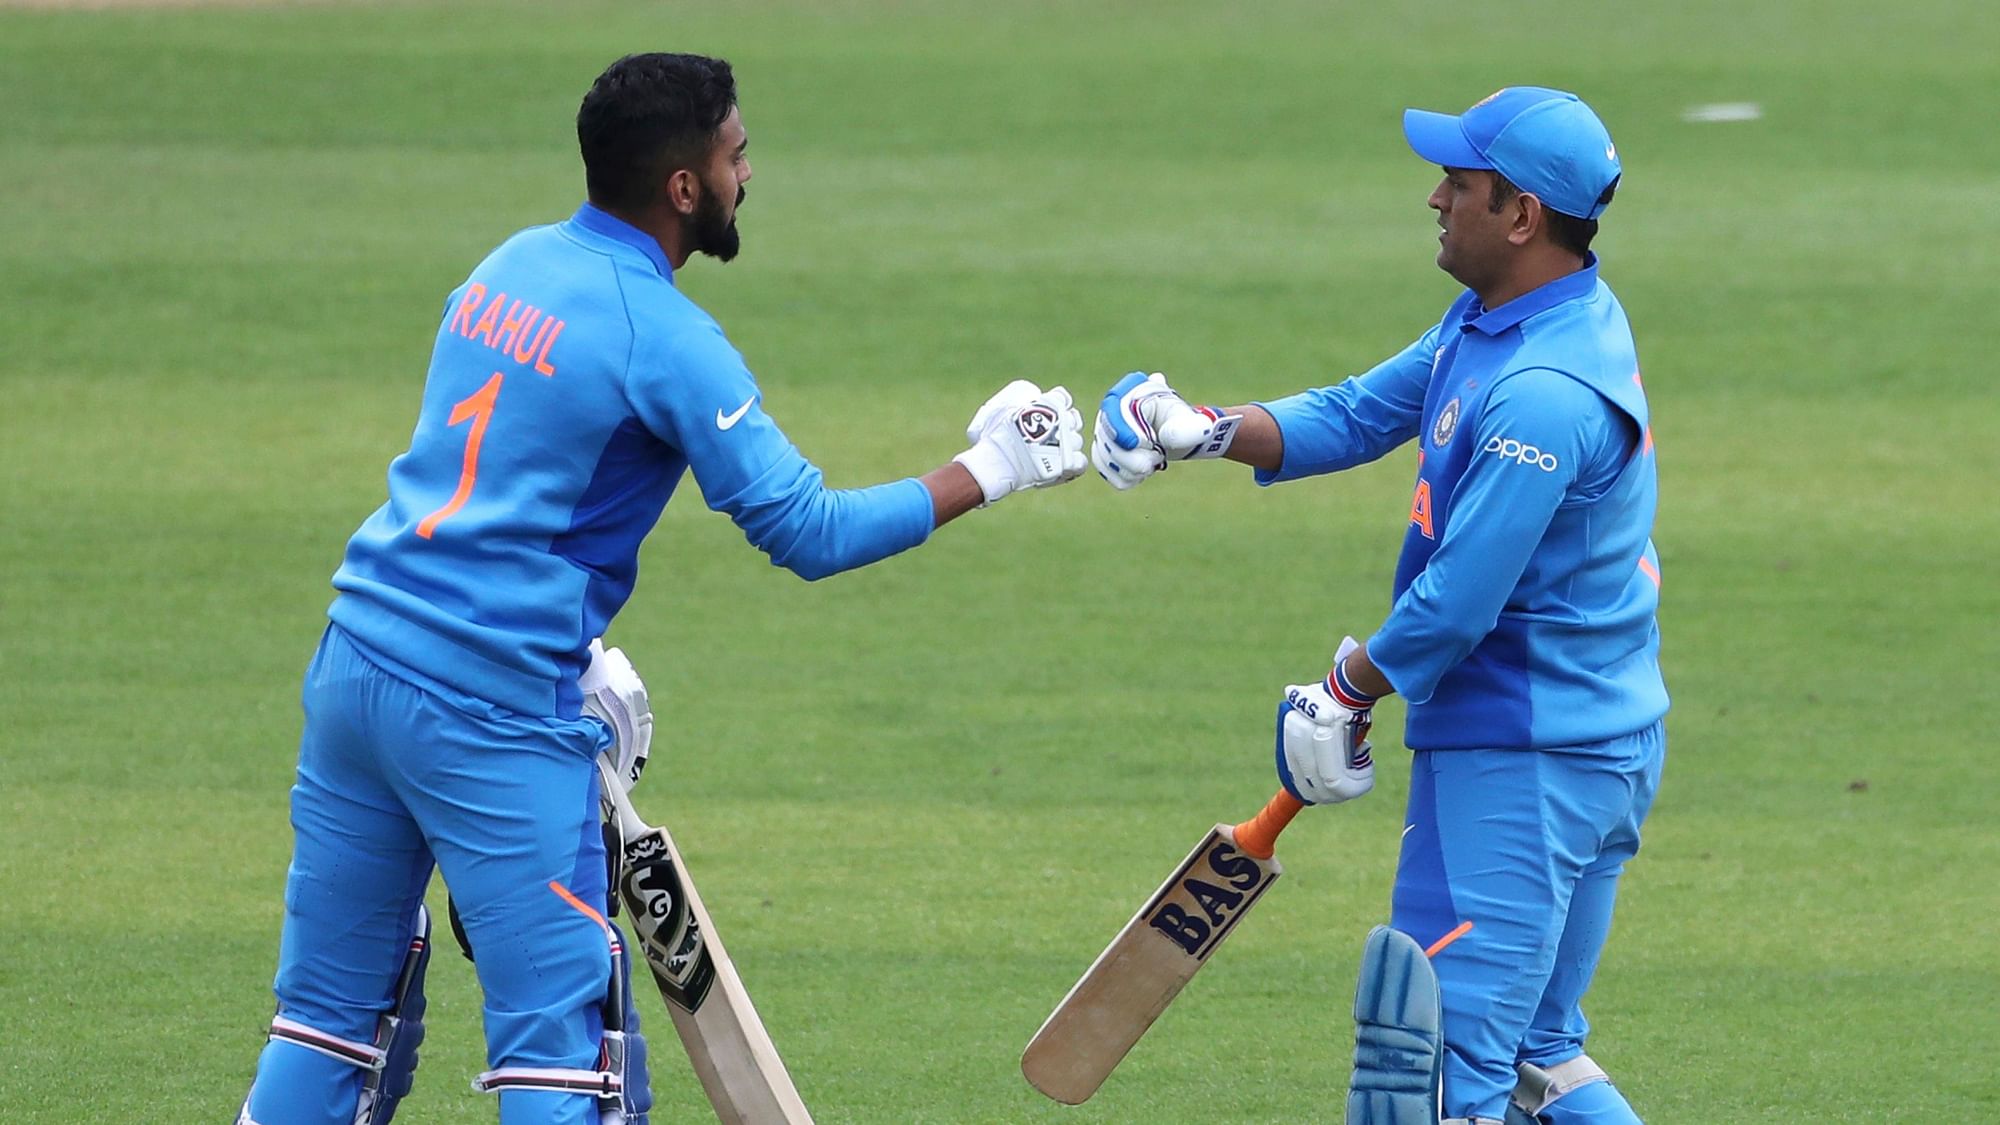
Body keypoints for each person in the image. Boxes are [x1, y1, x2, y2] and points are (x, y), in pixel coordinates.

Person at [235, 51, 1086, 1125]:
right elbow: (808, 531)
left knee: (325, 1021)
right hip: (486, 715)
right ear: (683, 187)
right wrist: (996, 466)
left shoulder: (508, 265)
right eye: (735, 155)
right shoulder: (669, 338)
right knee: (560, 1056)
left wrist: (571, 645)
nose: (746, 176)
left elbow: (496, 476)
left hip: (355, 663)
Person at [1090, 87, 1665, 1125]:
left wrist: (1343, 692)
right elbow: (1361, 411)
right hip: (1589, 745)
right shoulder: (1519, 314)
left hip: (1519, 764)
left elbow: (1457, 603)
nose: (1434, 197)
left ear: (1521, 215)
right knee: (1539, 1060)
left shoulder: (1543, 392)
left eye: (1460, 183)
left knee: (1442, 1078)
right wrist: (1201, 428)